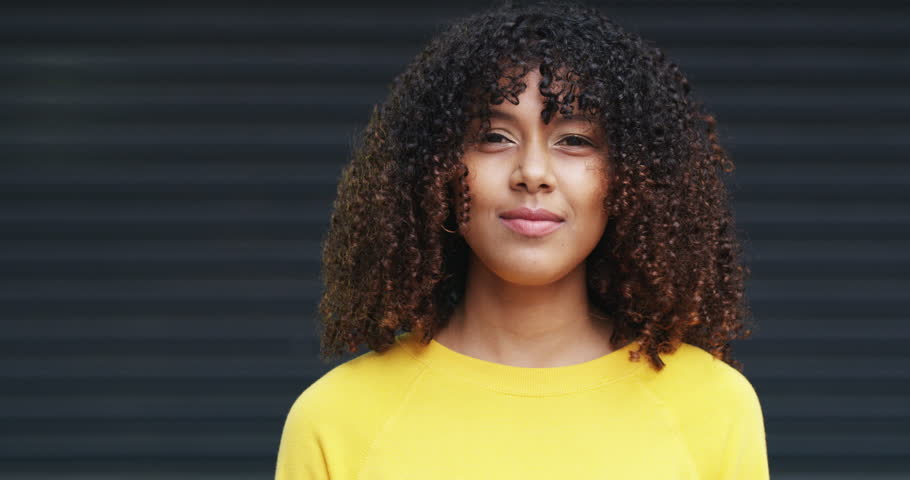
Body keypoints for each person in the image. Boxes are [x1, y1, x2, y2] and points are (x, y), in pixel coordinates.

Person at [275, 1, 769, 478]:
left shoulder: (714, 407)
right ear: (437, 169)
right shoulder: (336, 418)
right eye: (494, 136)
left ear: (632, 178)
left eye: (575, 140)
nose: (533, 173)